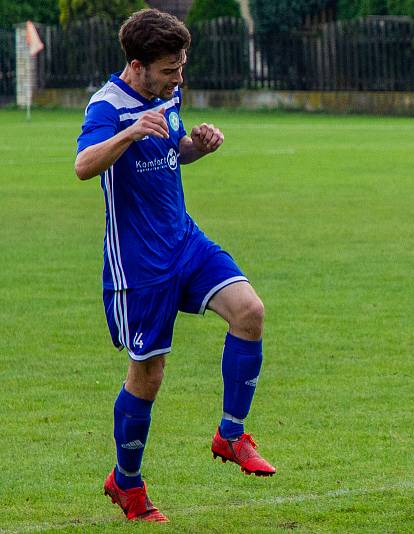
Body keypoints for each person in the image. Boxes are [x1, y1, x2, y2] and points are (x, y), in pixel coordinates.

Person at [74, 9, 276, 523]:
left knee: (250, 312)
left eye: (181, 66)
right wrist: (128, 134)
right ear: (137, 66)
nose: (178, 77)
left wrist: (196, 148)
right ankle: (127, 482)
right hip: (139, 262)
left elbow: (171, 150)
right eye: (169, 69)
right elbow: (83, 165)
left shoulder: (169, 94)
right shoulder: (108, 106)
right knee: (148, 373)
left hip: (185, 240)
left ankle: (231, 436)